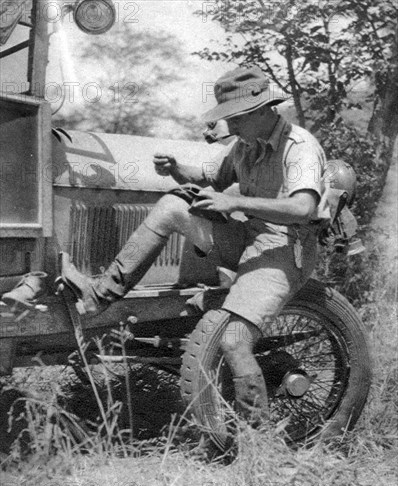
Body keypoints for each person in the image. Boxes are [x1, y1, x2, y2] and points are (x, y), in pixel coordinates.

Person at [60, 66, 327, 425]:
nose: (230, 127)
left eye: (236, 119)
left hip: (284, 246)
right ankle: (100, 296)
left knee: (233, 340)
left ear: (262, 110)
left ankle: (260, 443)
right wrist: (175, 168)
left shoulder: (300, 147)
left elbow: (303, 208)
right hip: (246, 236)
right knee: (173, 205)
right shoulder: (246, 145)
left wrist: (234, 203)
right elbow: (209, 176)